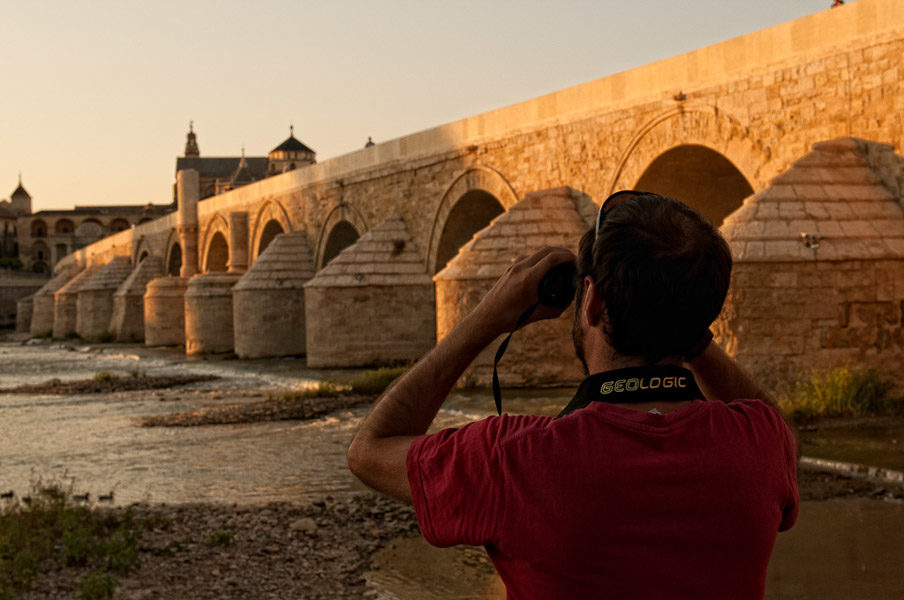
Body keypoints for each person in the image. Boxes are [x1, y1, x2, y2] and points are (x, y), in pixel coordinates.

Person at [348, 191, 799, 599]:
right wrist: (682, 322)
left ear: (592, 301)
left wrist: (484, 318)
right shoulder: (759, 445)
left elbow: (369, 451)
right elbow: (776, 425)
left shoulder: (514, 458)